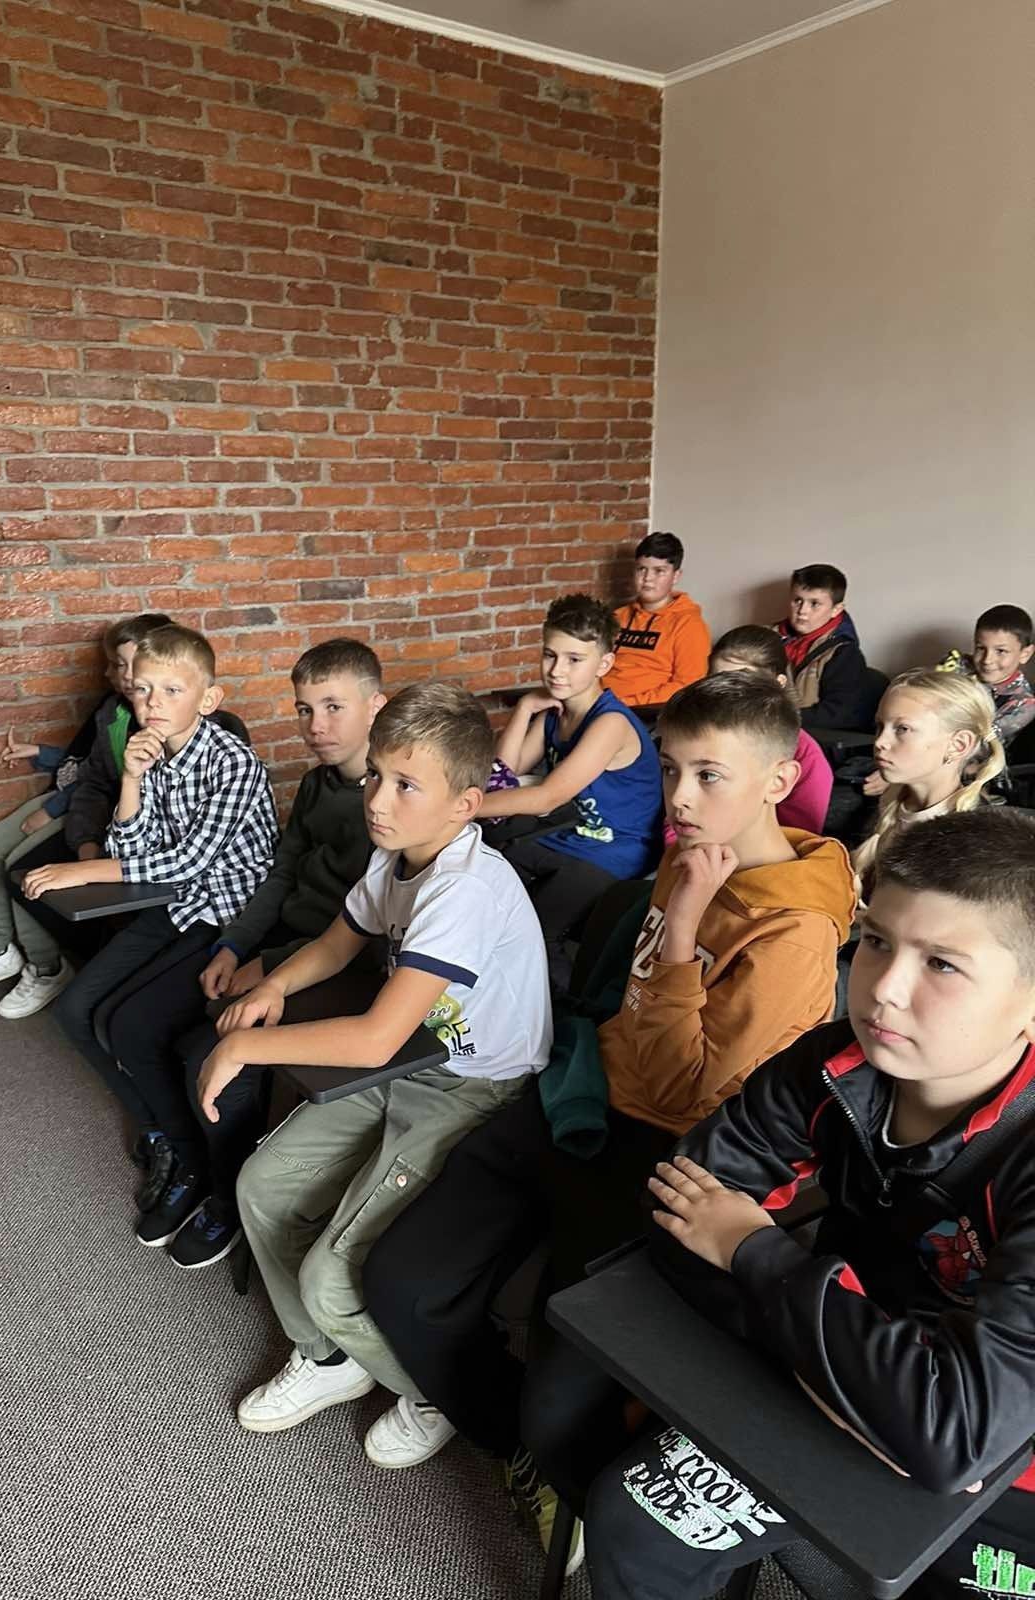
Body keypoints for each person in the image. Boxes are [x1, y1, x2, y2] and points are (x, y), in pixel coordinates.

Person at [362, 674, 855, 1567]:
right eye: (670, 770)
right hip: (586, 1096)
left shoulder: (795, 931)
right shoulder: (693, 850)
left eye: (709, 775)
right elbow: (633, 1019)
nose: (680, 798)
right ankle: (499, 1430)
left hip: (672, 1151)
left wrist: (684, 928)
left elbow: (693, 1093)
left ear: (779, 782)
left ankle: (558, 1470)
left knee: (562, 1402)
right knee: (400, 1280)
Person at [574, 809, 1035, 1600]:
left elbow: (958, 1440)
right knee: (589, 1451)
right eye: (877, 940)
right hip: (854, 1365)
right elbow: (678, 1206)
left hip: (1000, 1467)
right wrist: (858, 1387)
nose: (883, 990)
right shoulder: (834, 1061)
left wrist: (752, 1251)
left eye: (942, 964)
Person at [197, 682, 552, 1468]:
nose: (379, 801)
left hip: (472, 1087)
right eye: (377, 778)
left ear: (464, 805)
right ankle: (328, 1358)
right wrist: (275, 984)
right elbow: (339, 939)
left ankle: (433, 1391)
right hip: (411, 1060)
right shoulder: (395, 856)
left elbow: (374, 1037)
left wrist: (244, 1046)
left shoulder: (464, 888)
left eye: (406, 785)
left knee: (332, 1276)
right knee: (263, 1188)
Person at [99, 638, 386, 1267]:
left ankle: (229, 1197)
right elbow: (280, 877)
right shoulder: (314, 785)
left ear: (375, 706)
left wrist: (270, 965)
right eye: (305, 709)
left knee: (204, 1053)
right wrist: (235, 944)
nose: (316, 725)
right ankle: (198, 1164)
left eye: (334, 707)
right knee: (145, 1025)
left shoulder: (386, 802)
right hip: (280, 940)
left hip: (334, 961)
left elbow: (362, 929)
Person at [25, 624, 277, 1152]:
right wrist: (132, 779)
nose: (152, 702)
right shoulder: (153, 752)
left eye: (171, 690)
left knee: (127, 1024)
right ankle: (158, 1130)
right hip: (179, 904)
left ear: (208, 700)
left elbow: (187, 861)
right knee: (74, 1011)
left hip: (226, 914)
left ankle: (186, 1151)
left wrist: (84, 871)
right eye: (142, 689)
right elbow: (134, 848)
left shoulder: (234, 762)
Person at [0, 612, 170, 1019]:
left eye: (122, 665)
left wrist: (53, 813)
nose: (112, 674)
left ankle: (46, 967)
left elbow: (106, 788)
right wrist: (42, 757)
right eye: (116, 665)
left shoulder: (161, 724)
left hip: (94, 813)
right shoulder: (112, 710)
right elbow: (88, 767)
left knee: (19, 866)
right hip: (81, 801)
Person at [478, 594, 662, 989]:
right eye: (550, 655)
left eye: (574, 659)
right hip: (571, 839)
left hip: (615, 851)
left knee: (536, 934)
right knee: (485, 873)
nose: (556, 670)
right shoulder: (554, 713)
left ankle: (571, 1014)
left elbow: (548, 796)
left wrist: (457, 808)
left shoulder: (610, 723)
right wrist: (525, 708)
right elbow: (502, 774)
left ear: (604, 664)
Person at [664, 625, 832, 837]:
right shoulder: (692, 737)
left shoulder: (806, 756)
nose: (726, 694)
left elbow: (798, 836)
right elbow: (674, 819)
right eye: (716, 680)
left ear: (779, 683)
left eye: (742, 683)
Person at [853, 668, 1004, 883]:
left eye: (902, 729)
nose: (880, 742)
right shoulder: (883, 806)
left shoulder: (974, 842)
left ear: (958, 745)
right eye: (880, 726)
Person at [602, 532, 710, 708]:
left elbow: (687, 686)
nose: (648, 578)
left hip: (645, 712)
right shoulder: (617, 617)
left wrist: (624, 704)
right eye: (641, 569)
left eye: (659, 571)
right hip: (600, 704)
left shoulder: (688, 624)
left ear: (676, 576)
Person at [774, 563, 875, 731]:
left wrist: (778, 719)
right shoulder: (763, 639)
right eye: (797, 600)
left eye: (814, 604)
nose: (802, 611)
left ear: (836, 609)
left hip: (809, 736)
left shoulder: (843, 653)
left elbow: (839, 715)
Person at [939, 604, 1035, 748]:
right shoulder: (957, 665)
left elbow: (981, 741)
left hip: (968, 754)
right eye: (981, 648)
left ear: (1025, 654)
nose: (987, 660)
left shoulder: (1023, 704)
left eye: (1001, 651)